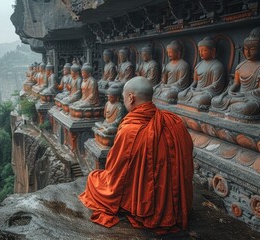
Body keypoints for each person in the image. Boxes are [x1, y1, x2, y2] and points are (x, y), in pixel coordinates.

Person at [79, 76, 194, 235]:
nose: (124, 100)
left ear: (131, 98)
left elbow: (116, 172)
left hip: (145, 204)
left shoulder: (130, 129)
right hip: (174, 204)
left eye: (124, 97)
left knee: (94, 178)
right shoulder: (175, 122)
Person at [211, 27, 260, 119]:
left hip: (252, 99)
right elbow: (236, 84)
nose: (248, 53)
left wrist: (244, 95)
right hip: (238, 96)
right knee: (215, 101)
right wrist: (230, 91)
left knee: (246, 108)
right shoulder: (240, 66)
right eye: (246, 49)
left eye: (253, 49)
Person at [178, 36, 226, 110]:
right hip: (197, 91)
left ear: (213, 51)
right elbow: (195, 82)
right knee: (181, 95)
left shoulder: (217, 66)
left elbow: (216, 86)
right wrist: (188, 89)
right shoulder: (198, 65)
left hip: (207, 92)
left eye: (204, 50)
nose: (201, 53)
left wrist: (201, 90)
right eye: (200, 51)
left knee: (201, 99)